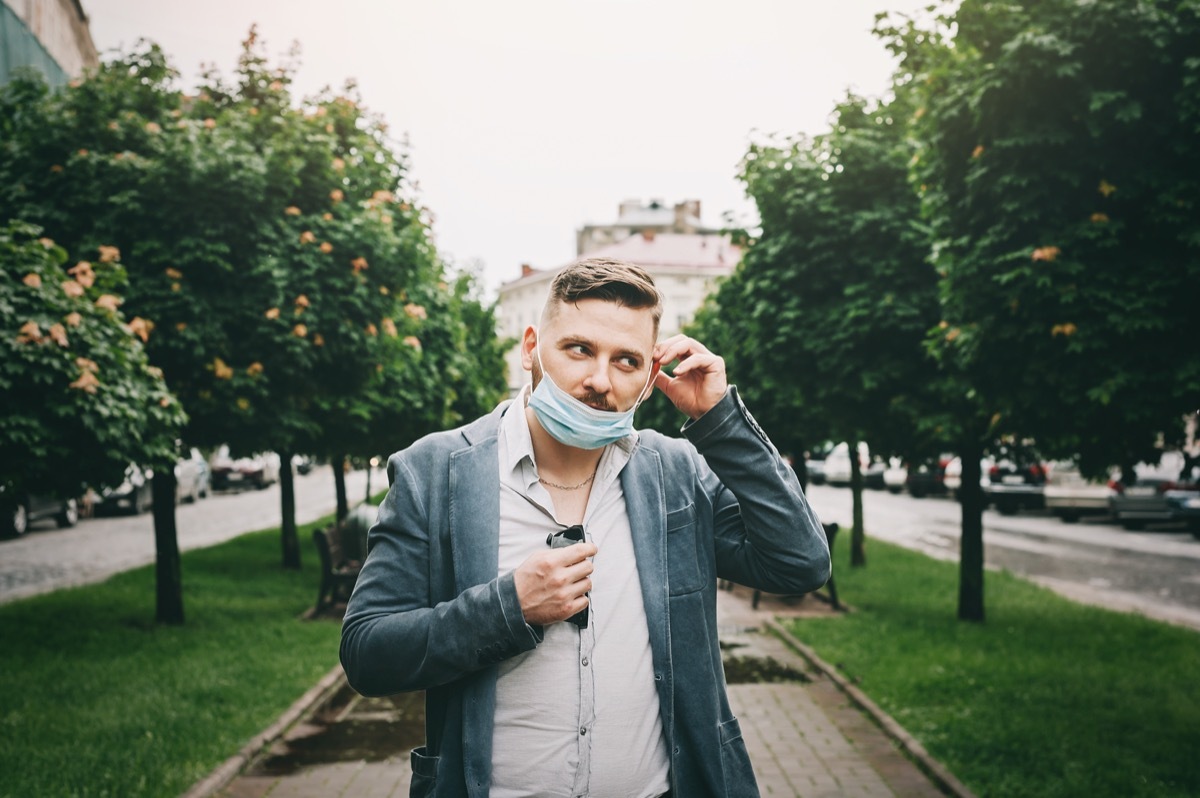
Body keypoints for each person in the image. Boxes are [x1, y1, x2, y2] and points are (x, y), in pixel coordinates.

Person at [341, 257, 831, 798]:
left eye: (627, 361)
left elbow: (799, 561)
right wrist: (509, 608)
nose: (600, 381)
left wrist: (720, 421)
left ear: (649, 378)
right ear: (531, 347)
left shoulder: (674, 471)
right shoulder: (434, 471)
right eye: (579, 349)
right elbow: (368, 653)